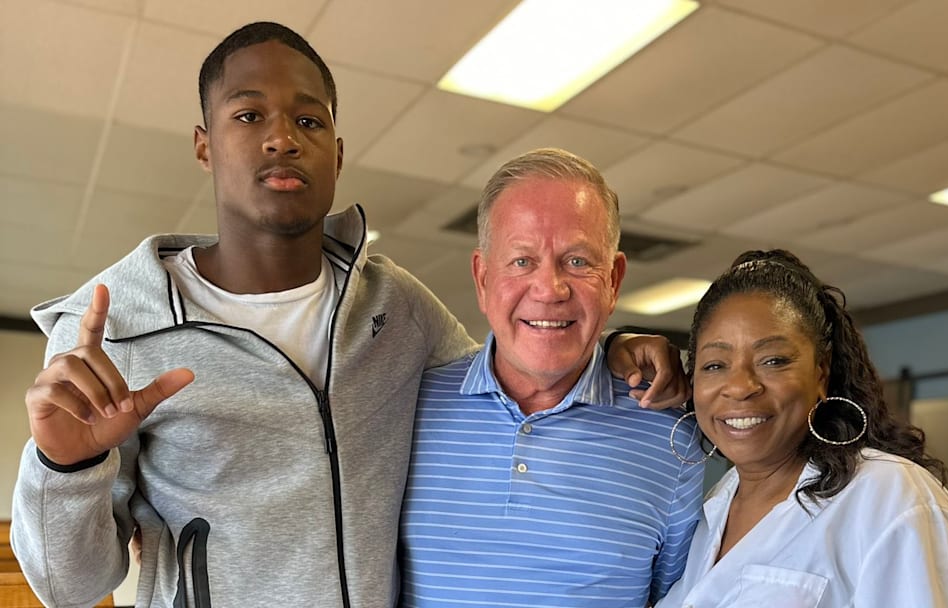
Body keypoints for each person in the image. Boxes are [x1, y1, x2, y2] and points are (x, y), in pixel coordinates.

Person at [10, 23, 686, 608]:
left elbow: (511, 366)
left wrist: (612, 343)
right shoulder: (116, 334)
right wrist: (63, 469)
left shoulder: (395, 307)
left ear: (336, 152)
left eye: (308, 120)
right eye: (249, 116)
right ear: (203, 144)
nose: (281, 139)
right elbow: (70, 589)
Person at [398, 148, 705, 608]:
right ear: (482, 279)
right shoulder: (405, 408)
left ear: (614, 280)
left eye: (578, 261)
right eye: (522, 260)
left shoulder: (673, 437)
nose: (550, 289)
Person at [655, 249, 948, 608]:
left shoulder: (890, 497)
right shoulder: (712, 509)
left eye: (773, 361)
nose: (740, 386)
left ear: (821, 374)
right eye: (715, 365)